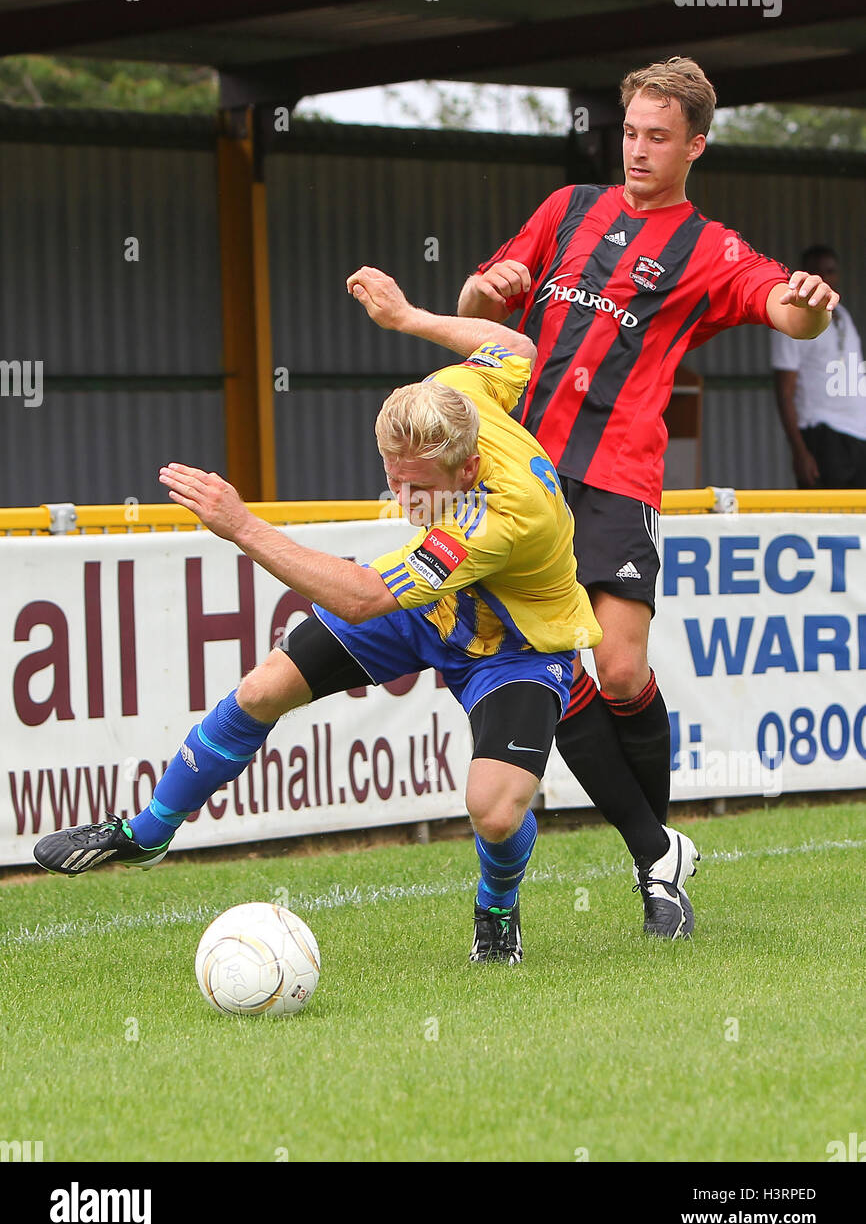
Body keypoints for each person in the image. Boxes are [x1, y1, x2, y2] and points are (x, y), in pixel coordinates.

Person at [35, 267, 682, 965]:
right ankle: (150, 830)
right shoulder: (454, 396)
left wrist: (243, 526)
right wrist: (407, 317)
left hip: (516, 646)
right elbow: (510, 344)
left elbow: (361, 597)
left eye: (418, 484)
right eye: (391, 474)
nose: (401, 494)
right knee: (261, 690)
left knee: (495, 811)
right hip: (429, 608)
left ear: (466, 472)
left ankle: (496, 908)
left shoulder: (502, 515)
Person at [457, 56, 839, 939]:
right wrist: (494, 288)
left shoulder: (708, 247)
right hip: (525, 472)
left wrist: (813, 307)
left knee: (621, 669)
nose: (637, 149)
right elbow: (478, 296)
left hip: (620, 474)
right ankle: (654, 862)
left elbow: (782, 307)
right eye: (630, 131)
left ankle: (652, 858)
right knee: (554, 661)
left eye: (658, 137)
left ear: (695, 146)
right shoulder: (568, 209)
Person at [771, 245, 866, 488]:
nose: (824, 278)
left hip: (858, 434)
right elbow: (784, 391)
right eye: (816, 271)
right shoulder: (793, 317)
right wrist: (800, 452)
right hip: (823, 432)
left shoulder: (842, 314)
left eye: (830, 271)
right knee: (829, 521)